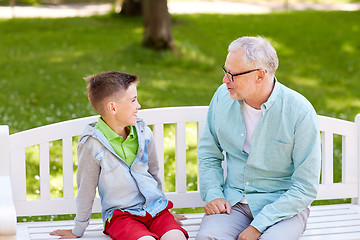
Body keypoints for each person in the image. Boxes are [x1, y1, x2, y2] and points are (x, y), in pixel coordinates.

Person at [196, 36, 321, 240]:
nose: (225, 80)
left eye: (233, 75)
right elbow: (209, 153)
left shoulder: (300, 112)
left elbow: (305, 187)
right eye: (225, 71)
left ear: (260, 76)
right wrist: (214, 193)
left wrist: (258, 227)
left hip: (283, 208)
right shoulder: (221, 97)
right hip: (233, 203)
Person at [50, 71, 188, 240]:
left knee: (176, 237)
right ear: (112, 107)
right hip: (121, 217)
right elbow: (86, 189)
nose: (139, 105)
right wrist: (78, 229)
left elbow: (154, 173)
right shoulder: (92, 144)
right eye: (133, 100)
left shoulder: (144, 133)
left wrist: (162, 208)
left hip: (154, 210)